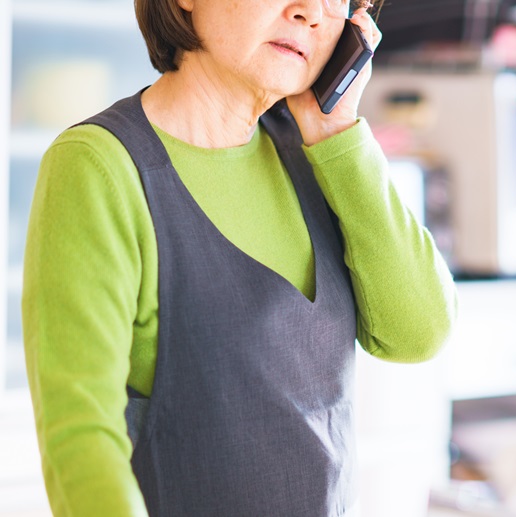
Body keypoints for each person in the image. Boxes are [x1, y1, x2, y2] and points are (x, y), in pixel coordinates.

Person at [21, 0, 458, 515]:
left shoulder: (317, 155)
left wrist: (337, 133)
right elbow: (82, 443)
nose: (311, 12)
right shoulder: (97, 167)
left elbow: (418, 331)